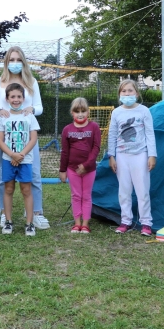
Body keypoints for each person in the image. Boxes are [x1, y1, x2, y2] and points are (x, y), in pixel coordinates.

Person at [0, 46, 49, 230]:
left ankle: (35, 213)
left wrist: (32, 109)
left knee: (34, 175)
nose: (15, 63)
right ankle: (3, 213)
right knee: (3, 177)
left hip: (27, 140)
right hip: (5, 138)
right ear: (6, 62)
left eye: (18, 60)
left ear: (23, 62)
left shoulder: (32, 82)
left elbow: (39, 107)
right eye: (11, 60)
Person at [108, 79, 157, 236]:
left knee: (142, 190)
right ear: (119, 94)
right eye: (124, 91)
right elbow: (112, 134)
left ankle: (146, 223)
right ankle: (126, 220)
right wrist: (111, 156)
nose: (127, 94)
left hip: (140, 155)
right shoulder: (116, 112)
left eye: (130, 91)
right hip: (122, 155)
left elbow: (150, 133)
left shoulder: (144, 111)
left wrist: (152, 155)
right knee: (124, 190)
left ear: (136, 93)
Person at [0, 83, 40, 236]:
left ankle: (29, 223)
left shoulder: (29, 116)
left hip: (25, 160)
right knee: (8, 189)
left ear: (23, 98)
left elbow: (33, 139)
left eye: (19, 96)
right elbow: (0, 140)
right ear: (7, 99)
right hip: (8, 159)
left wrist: (20, 155)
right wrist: (12, 155)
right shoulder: (3, 117)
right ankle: (8, 221)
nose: (16, 99)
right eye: (12, 96)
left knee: (26, 190)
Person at [59, 97, 101, 234]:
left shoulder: (94, 127)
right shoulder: (67, 129)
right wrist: (63, 170)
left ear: (88, 112)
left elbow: (96, 148)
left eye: (83, 111)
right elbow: (65, 152)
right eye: (77, 111)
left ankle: (85, 224)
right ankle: (77, 224)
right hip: (72, 169)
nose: (80, 114)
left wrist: (86, 165)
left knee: (86, 196)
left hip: (89, 170)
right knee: (76, 195)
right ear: (72, 113)